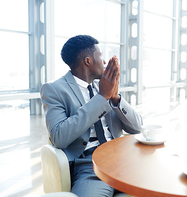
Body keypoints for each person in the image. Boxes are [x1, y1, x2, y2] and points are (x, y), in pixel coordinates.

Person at [40, 35, 143, 197]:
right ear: (88, 61)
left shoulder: (105, 87)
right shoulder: (54, 90)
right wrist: (101, 98)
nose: (104, 62)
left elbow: (137, 127)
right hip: (90, 165)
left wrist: (115, 97)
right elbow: (58, 137)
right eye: (100, 55)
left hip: (124, 159)